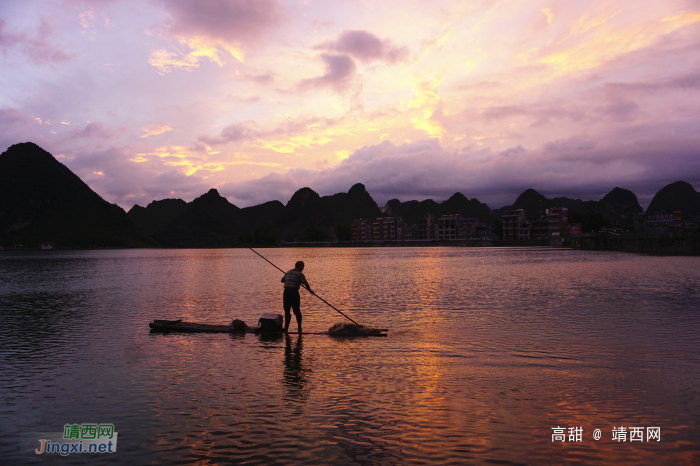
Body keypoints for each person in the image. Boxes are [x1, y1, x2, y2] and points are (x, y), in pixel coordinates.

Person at [281, 261, 314, 334]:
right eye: (302, 266)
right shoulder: (300, 274)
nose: (303, 268)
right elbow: (306, 284)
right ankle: (299, 327)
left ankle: (286, 328)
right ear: (298, 266)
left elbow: (282, 281)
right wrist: (310, 291)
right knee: (296, 311)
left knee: (287, 310)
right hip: (294, 292)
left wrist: (291, 278)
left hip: (286, 292)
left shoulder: (288, 272)